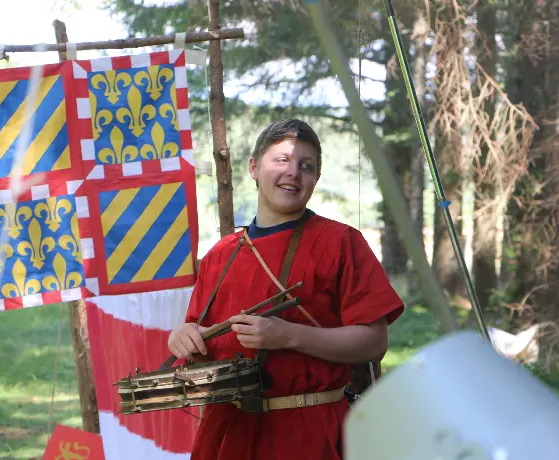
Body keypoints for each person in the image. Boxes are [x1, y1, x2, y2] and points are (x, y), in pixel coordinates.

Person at [167, 119, 404, 460]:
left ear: (315, 179)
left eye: (306, 166)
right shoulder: (221, 255)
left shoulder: (340, 242)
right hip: (228, 433)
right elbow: (200, 346)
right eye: (281, 160)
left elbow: (374, 342)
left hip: (309, 433)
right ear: (253, 167)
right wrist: (185, 337)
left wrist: (289, 336)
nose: (293, 172)